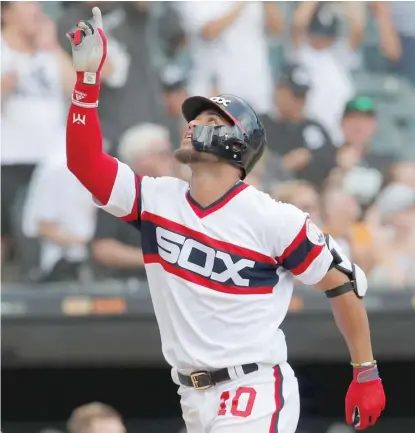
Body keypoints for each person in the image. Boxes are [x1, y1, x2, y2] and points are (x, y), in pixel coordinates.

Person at [64, 8, 386, 433]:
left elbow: (342, 281)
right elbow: (85, 162)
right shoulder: (158, 197)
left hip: (252, 389)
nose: (192, 124)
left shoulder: (273, 218)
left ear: (237, 143)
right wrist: (87, 80)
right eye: (194, 117)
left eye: (208, 120)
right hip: (192, 396)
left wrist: (365, 371)